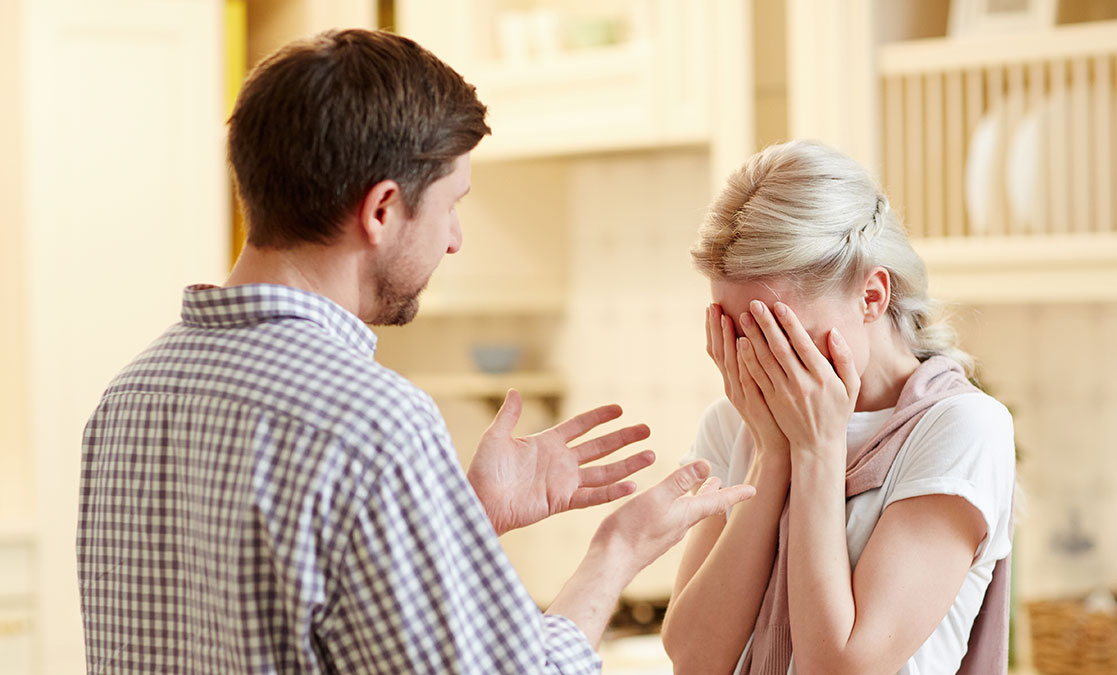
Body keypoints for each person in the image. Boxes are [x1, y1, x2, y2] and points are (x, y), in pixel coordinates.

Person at [75, 29, 754, 674]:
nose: (455, 239)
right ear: (382, 210)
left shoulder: (129, 397)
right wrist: (616, 550)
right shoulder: (374, 422)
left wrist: (459, 516)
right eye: (450, 204)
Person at [660, 140, 1016, 674]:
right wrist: (772, 452)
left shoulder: (961, 429)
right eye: (737, 335)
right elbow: (694, 658)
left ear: (872, 297)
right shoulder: (736, 424)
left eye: (781, 335)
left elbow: (843, 667)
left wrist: (817, 449)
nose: (757, 363)